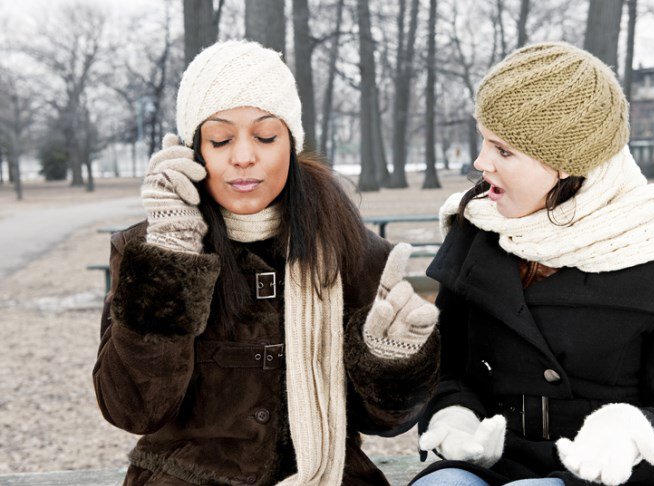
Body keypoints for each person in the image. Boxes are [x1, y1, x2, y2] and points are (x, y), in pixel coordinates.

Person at [93, 40, 440, 486]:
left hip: (329, 474)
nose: (243, 156)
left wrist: (392, 361)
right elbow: (133, 410)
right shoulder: (147, 248)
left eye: (265, 136)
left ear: (290, 144)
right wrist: (171, 258)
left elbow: (387, 424)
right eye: (220, 139)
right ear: (195, 150)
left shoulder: (351, 247)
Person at [411, 42, 654, 486]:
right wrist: (453, 418)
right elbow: (448, 372)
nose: (480, 162)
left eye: (503, 150)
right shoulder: (477, 225)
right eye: (484, 141)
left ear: (567, 164)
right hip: (492, 467)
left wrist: (632, 434)